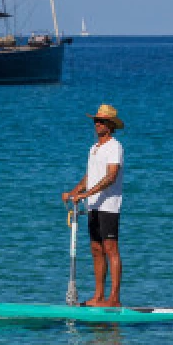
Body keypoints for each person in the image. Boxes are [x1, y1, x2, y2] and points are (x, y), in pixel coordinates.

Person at [62, 104, 125, 306]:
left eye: (102, 121)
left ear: (110, 125)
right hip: (93, 206)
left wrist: (87, 193)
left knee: (110, 249)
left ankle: (114, 298)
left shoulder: (115, 147)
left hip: (108, 205)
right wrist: (74, 192)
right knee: (96, 249)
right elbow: (91, 176)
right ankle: (98, 296)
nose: (97, 124)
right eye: (96, 121)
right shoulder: (94, 148)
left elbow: (111, 177)